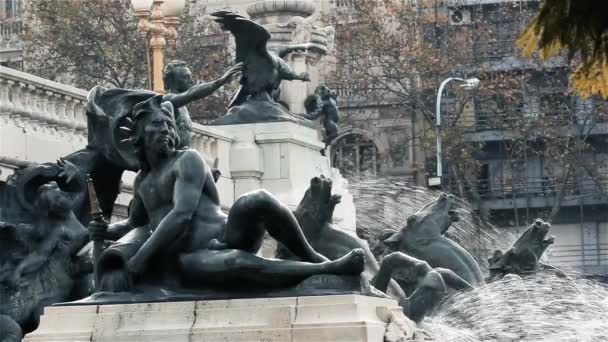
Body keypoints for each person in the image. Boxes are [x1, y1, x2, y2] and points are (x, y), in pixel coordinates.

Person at [95, 95, 364, 292]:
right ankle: (326, 269)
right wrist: (103, 231)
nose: (166, 130)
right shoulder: (143, 180)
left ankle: (314, 257)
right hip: (191, 257)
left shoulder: (187, 159)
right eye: (157, 125)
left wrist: (141, 258)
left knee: (257, 199)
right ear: (140, 136)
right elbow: (135, 224)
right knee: (237, 263)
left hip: (229, 233)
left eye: (168, 124)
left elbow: (181, 215)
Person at [162, 60, 243, 147]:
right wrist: (220, 81)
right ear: (172, 81)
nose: (191, 81)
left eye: (190, 77)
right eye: (186, 77)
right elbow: (191, 93)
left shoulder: (182, 107)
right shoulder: (168, 100)